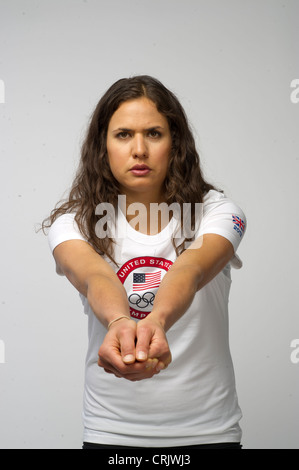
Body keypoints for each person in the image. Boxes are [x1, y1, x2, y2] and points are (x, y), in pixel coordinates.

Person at [43, 75, 247, 450]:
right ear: (102, 145)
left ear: (176, 144)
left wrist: (156, 320)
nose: (139, 149)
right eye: (123, 135)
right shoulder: (72, 223)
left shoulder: (217, 212)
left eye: (154, 133)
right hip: (111, 434)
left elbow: (192, 267)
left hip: (208, 434)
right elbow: (94, 276)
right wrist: (121, 320)